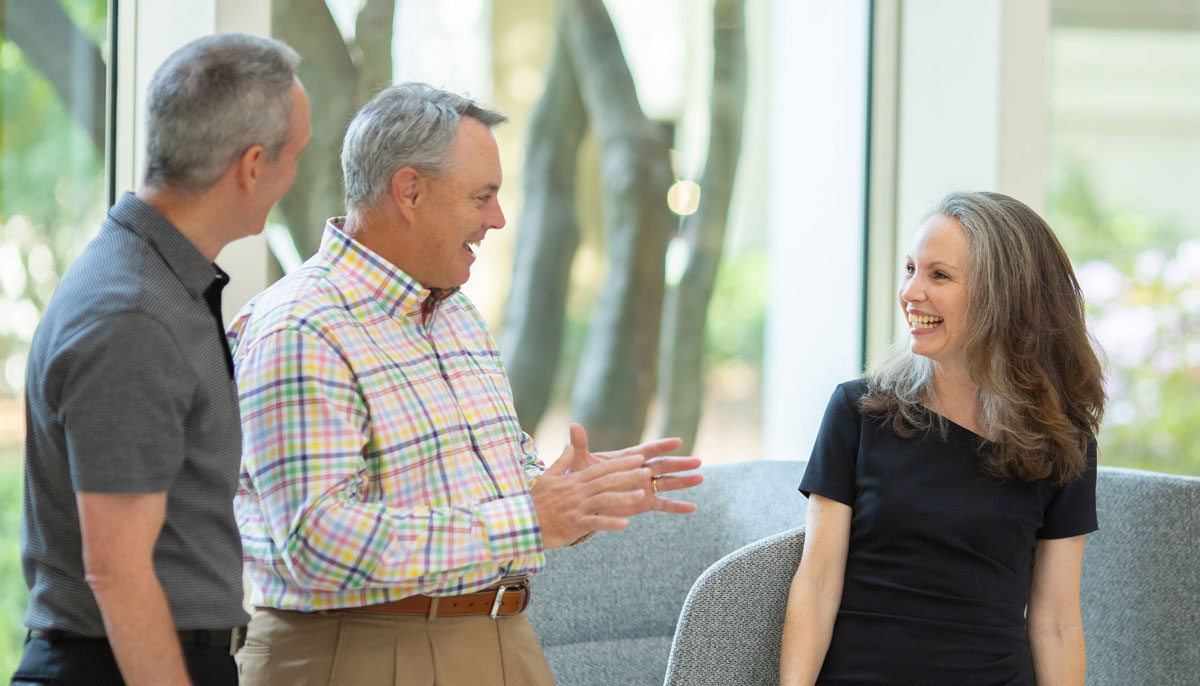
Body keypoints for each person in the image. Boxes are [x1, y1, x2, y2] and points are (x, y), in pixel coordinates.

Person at [228, 82, 703, 686]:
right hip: (359, 655)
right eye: (482, 196)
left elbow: (493, 482)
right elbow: (316, 542)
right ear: (410, 191)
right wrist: (528, 517)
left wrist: (574, 492)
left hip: (503, 642)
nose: (497, 219)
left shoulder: (456, 314)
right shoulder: (300, 326)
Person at [12, 33, 311, 686]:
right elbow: (116, 570)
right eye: (298, 155)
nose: (299, 176)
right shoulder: (134, 315)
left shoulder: (160, 285)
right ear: (253, 165)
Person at [780, 191, 1105, 685]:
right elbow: (817, 584)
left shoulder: (1062, 442)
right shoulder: (859, 412)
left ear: (1004, 297)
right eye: (910, 268)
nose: (911, 292)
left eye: (939, 275)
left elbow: (1056, 623)